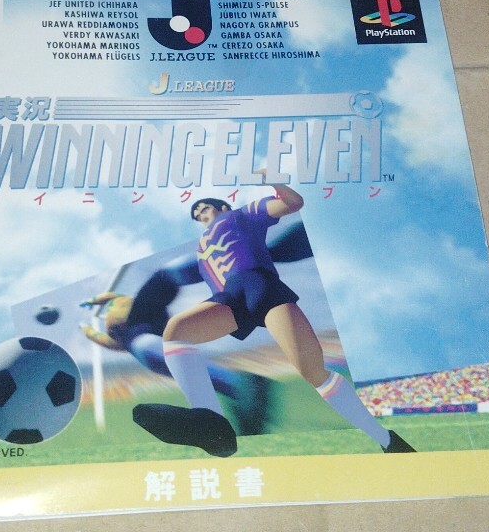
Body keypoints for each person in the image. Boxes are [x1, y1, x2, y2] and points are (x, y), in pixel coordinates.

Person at [132, 174, 416, 458]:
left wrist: (275, 181)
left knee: (314, 373)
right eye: (198, 216)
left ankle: (387, 440)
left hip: (261, 287)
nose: (202, 216)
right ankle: (211, 424)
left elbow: (292, 203)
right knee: (176, 330)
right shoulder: (201, 248)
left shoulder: (242, 215)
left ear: (224, 207)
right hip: (230, 299)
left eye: (205, 209)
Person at [79, 271, 271, 436]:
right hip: (150, 328)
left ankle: (237, 386)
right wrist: (85, 326)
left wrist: (91, 303)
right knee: (153, 350)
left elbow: (107, 299)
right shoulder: (120, 339)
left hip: (145, 320)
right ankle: (237, 388)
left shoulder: (121, 309)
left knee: (163, 286)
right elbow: (97, 335)